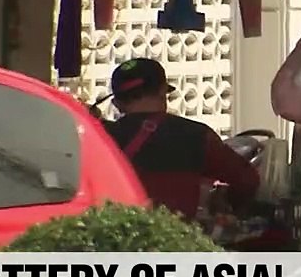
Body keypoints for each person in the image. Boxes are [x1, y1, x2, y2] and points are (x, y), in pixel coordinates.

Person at [101, 58, 260, 219]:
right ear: (163, 91)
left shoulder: (99, 139)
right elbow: (247, 180)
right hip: (176, 239)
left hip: (110, 237)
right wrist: (228, 205)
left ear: (117, 103)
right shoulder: (197, 135)